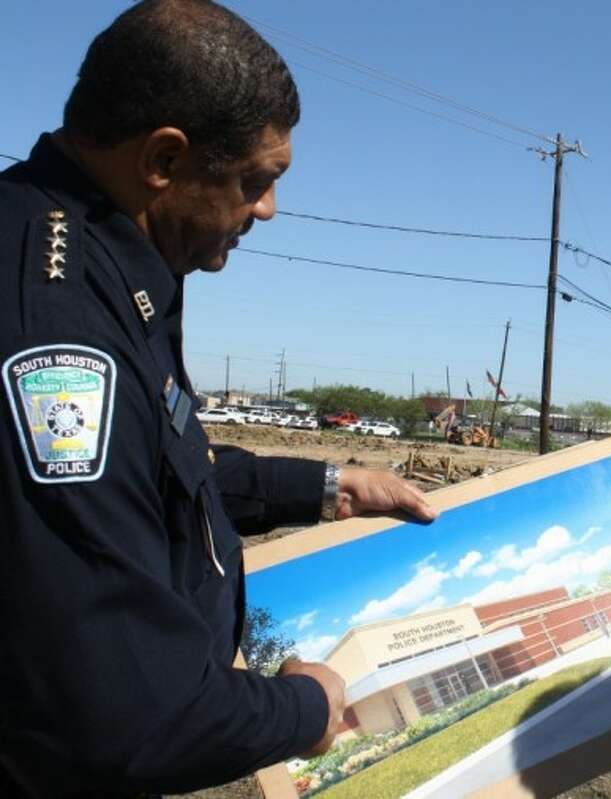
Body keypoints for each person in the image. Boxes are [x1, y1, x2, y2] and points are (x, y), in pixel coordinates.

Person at [0, 1, 437, 795]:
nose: (266, 208)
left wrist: (325, 485)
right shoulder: (59, 329)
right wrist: (306, 705)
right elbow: (120, 712)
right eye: (255, 181)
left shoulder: (107, 262)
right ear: (165, 159)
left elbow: (155, 470)